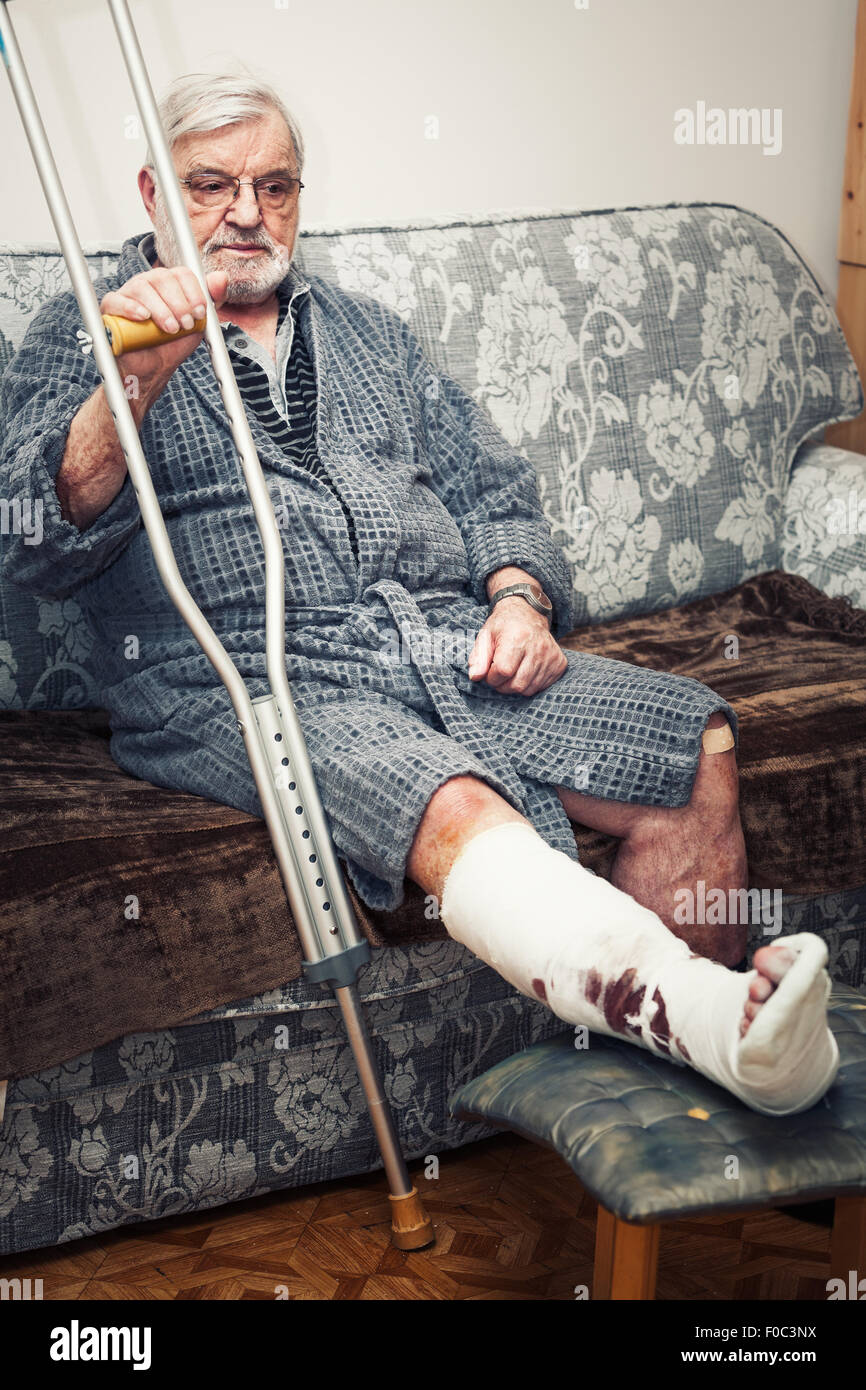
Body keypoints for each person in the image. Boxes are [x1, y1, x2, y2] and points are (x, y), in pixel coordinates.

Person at [0, 72, 839, 1116]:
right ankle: (720, 1024)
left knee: (689, 740)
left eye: (275, 184)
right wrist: (137, 370)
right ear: (150, 194)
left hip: (430, 641)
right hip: (237, 677)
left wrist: (519, 599)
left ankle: (682, 1096)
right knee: (444, 797)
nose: (247, 213)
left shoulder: (374, 336)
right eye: (210, 185)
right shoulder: (82, 331)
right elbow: (36, 537)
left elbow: (494, 491)